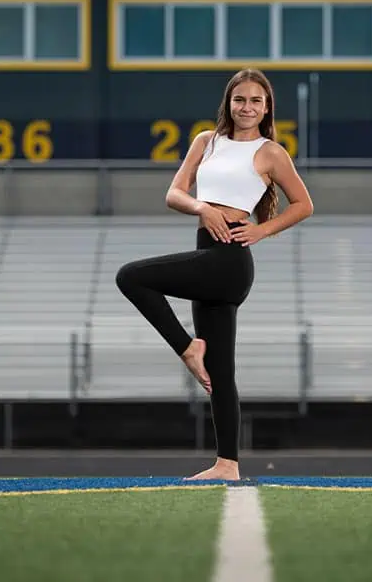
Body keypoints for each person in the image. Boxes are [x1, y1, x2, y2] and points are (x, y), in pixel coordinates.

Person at [115, 68, 314, 481]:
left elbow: (303, 205)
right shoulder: (206, 141)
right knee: (221, 372)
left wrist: (260, 229)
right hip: (205, 253)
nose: (247, 107)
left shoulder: (270, 152)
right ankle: (227, 464)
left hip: (229, 261)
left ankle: (189, 349)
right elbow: (174, 193)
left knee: (131, 276)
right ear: (229, 102)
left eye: (256, 101)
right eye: (240, 99)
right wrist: (202, 208)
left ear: (266, 108)